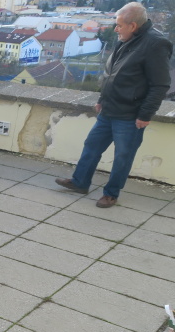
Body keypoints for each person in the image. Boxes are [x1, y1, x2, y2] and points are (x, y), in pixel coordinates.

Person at [55, 2, 172, 208]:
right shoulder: (126, 38)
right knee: (91, 146)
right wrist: (102, 99)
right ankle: (80, 182)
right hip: (109, 109)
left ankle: (111, 193)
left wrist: (145, 114)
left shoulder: (155, 44)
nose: (115, 29)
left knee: (122, 157)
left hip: (130, 114)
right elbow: (113, 73)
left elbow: (160, 84)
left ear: (133, 25)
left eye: (119, 25)